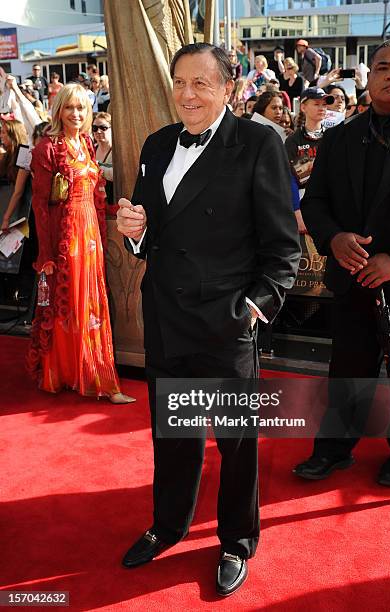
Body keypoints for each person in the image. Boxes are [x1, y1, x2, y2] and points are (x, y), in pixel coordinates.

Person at [116, 43, 300, 596]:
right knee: (173, 434)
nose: (187, 95)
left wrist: (254, 308)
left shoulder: (257, 141)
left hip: (226, 319)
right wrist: (134, 229)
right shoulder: (156, 144)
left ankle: (237, 541)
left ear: (228, 88)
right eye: (179, 82)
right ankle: (168, 524)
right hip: (167, 314)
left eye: (201, 83)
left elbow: (282, 245)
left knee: (235, 440)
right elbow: (153, 234)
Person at [294, 39, 390, 487]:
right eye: (382, 67)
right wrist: (335, 239)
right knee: (347, 366)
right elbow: (316, 201)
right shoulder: (341, 136)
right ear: (368, 75)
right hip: (351, 277)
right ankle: (334, 449)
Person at [27, 83, 135, 405]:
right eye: (70, 108)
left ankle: (91, 374)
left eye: (82, 108)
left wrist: (118, 209)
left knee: (91, 305)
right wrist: (46, 254)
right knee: (69, 305)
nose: (76, 114)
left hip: (91, 235)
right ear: (59, 110)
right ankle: (63, 373)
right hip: (67, 236)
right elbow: (40, 207)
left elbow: (96, 194)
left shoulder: (87, 143)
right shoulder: (46, 149)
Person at [285, 87, 334, 234]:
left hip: (330, 203)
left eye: (324, 104)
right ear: (303, 107)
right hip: (303, 202)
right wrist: (297, 210)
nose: (322, 108)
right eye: (317, 104)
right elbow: (289, 178)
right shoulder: (293, 140)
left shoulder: (333, 137)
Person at [93, 111, 114, 205]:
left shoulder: (117, 152)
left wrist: (94, 166)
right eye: (95, 128)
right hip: (95, 202)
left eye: (103, 128)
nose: (98, 131)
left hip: (112, 201)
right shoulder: (91, 150)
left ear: (111, 129)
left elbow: (115, 174)